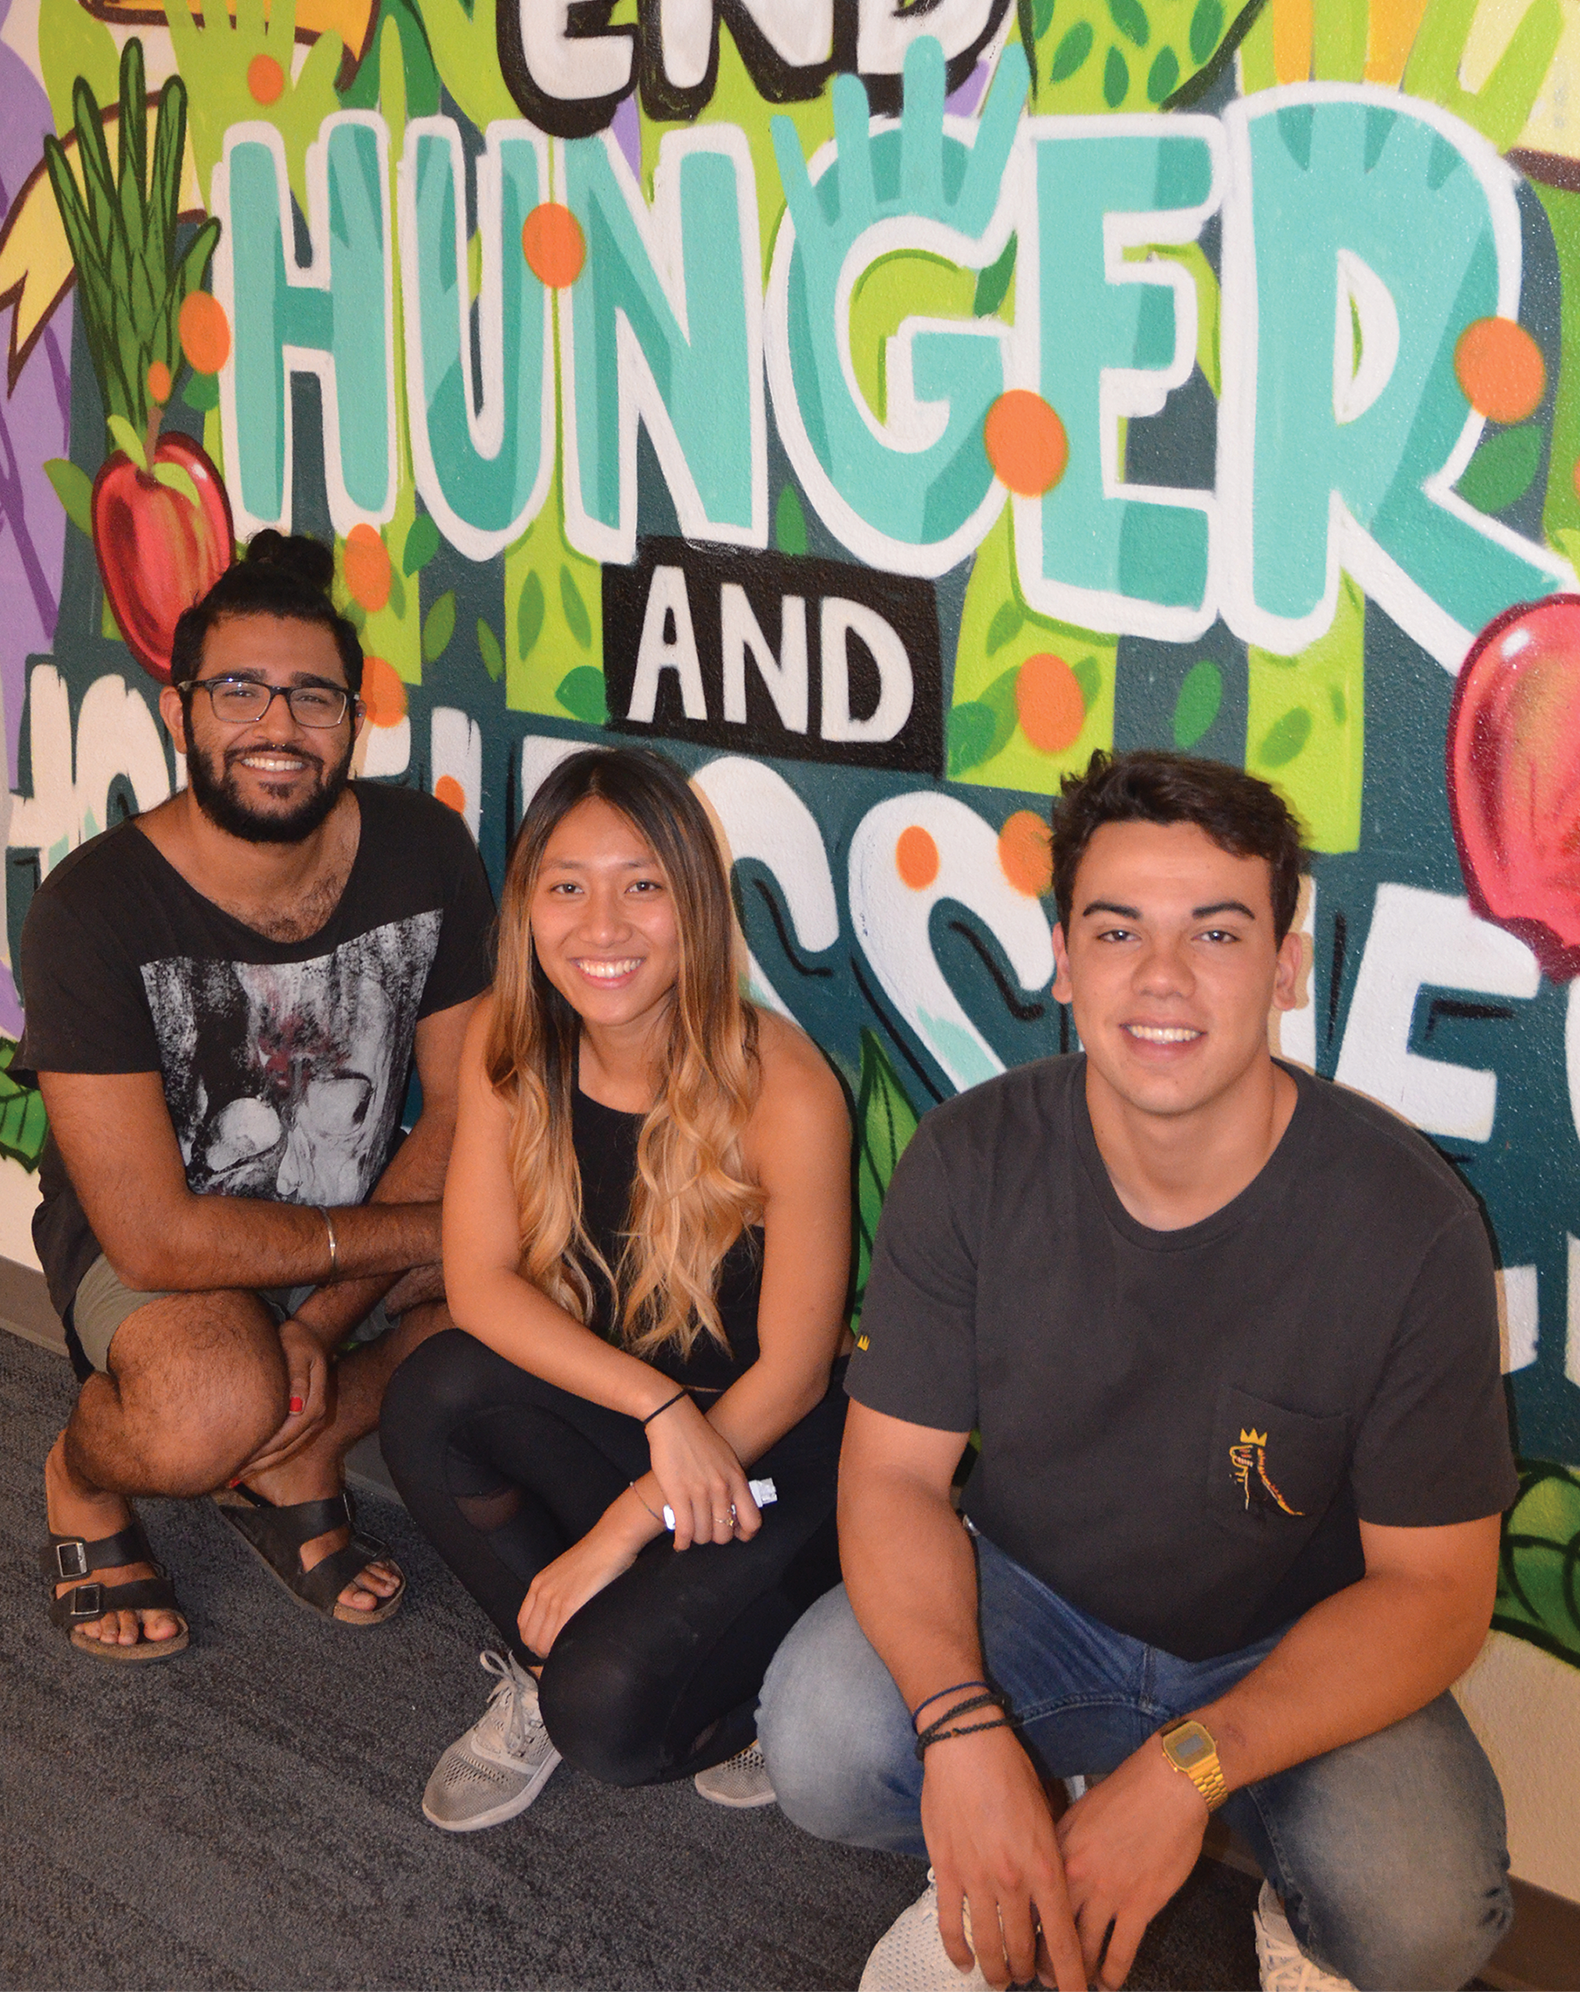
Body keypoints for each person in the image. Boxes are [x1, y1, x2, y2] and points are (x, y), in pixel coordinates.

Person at [761, 749, 1516, 1992]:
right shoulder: (970, 1159)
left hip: (1288, 1644)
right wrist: (961, 1725)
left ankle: (1281, 1907)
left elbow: (1435, 1592)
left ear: (1286, 965)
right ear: (1064, 957)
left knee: (1421, 1913)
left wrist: (1192, 1768)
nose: (1161, 976)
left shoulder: (1409, 1224)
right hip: (1034, 1601)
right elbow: (891, 1474)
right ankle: (1019, 1802)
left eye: (1216, 932)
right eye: (1118, 929)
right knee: (822, 1733)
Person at [22, 531, 494, 1659]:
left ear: (354, 714)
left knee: (554, 1269)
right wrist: (421, 1239)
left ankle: (296, 1448)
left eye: (311, 696)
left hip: (358, 1236)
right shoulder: (94, 909)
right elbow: (154, 1231)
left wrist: (323, 1322)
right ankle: (82, 1478)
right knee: (200, 1406)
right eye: (239, 690)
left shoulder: (425, 848)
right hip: (167, 1262)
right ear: (179, 704)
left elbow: (469, 1109)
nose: (278, 728)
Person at [379, 745, 851, 1827]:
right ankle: (553, 1667)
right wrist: (656, 1406)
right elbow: (480, 1281)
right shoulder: (514, 1037)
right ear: (528, 907)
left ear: (693, 903)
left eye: (641, 884)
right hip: (651, 1423)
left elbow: (797, 1370)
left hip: (769, 1461)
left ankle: (773, 1664)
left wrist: (631, 1518)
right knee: (432, 1390)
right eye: (567, 886)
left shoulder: (782, 1084)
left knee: (612, 1722)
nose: (603, 925)